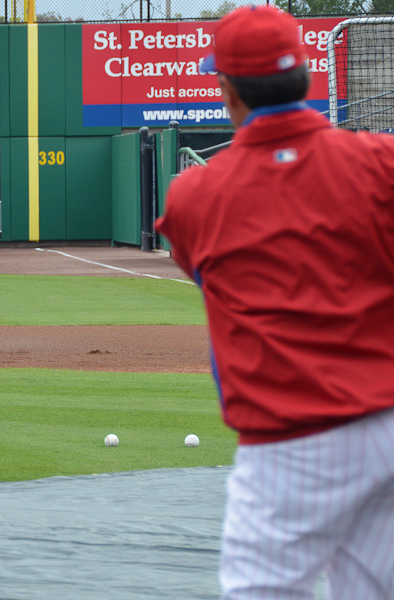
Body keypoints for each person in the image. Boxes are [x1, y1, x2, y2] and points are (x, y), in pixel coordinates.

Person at [155, 6, 394, 599]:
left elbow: (210, 283)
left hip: (289, 441)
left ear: (228, 89)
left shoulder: (194, 195)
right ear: (306, 78)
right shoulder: (380, 164)